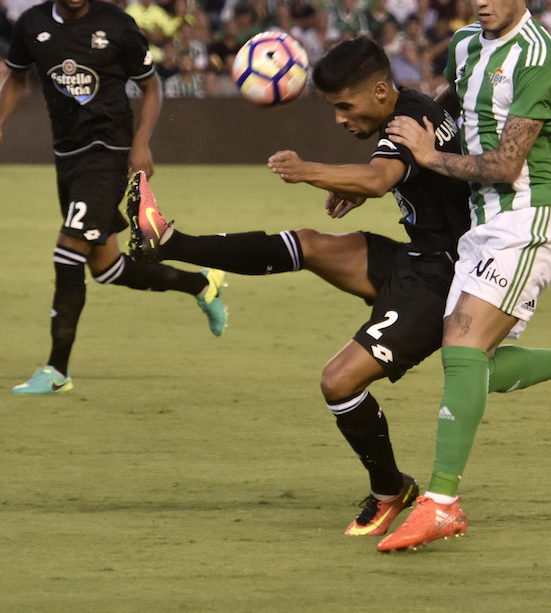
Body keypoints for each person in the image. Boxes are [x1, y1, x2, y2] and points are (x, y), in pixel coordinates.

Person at [127, 36, 468, 537]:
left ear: (378, 92)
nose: (339, 119)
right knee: (310, 243)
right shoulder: (413, 103)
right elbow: (392, 172)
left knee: (339, 381)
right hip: (422, 257)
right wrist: (362, 185)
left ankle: (391, 491)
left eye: (344, 107)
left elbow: (378, 178)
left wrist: (306, 171)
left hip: (444, 276)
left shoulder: (407, 120)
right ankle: (169, 242)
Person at [379, 0, 551, 552]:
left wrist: (429, 157)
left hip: (532, 215)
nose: (481, 0)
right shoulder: (463, 45)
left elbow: (508, 161)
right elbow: (452, 109)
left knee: (460, 349)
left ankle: (440, 503)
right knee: (472, 365)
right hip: (483, 225)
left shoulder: (540, 58)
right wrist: (395, 166)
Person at [0, 0, 226, 396]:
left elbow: (151, 87)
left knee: (66, 251)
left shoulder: (116, 26)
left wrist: (142, 142)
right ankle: (202, 283)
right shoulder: (32, 25)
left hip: (108, 148)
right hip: (68, 154)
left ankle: (56, 371)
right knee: (106, 267)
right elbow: (15, 78)